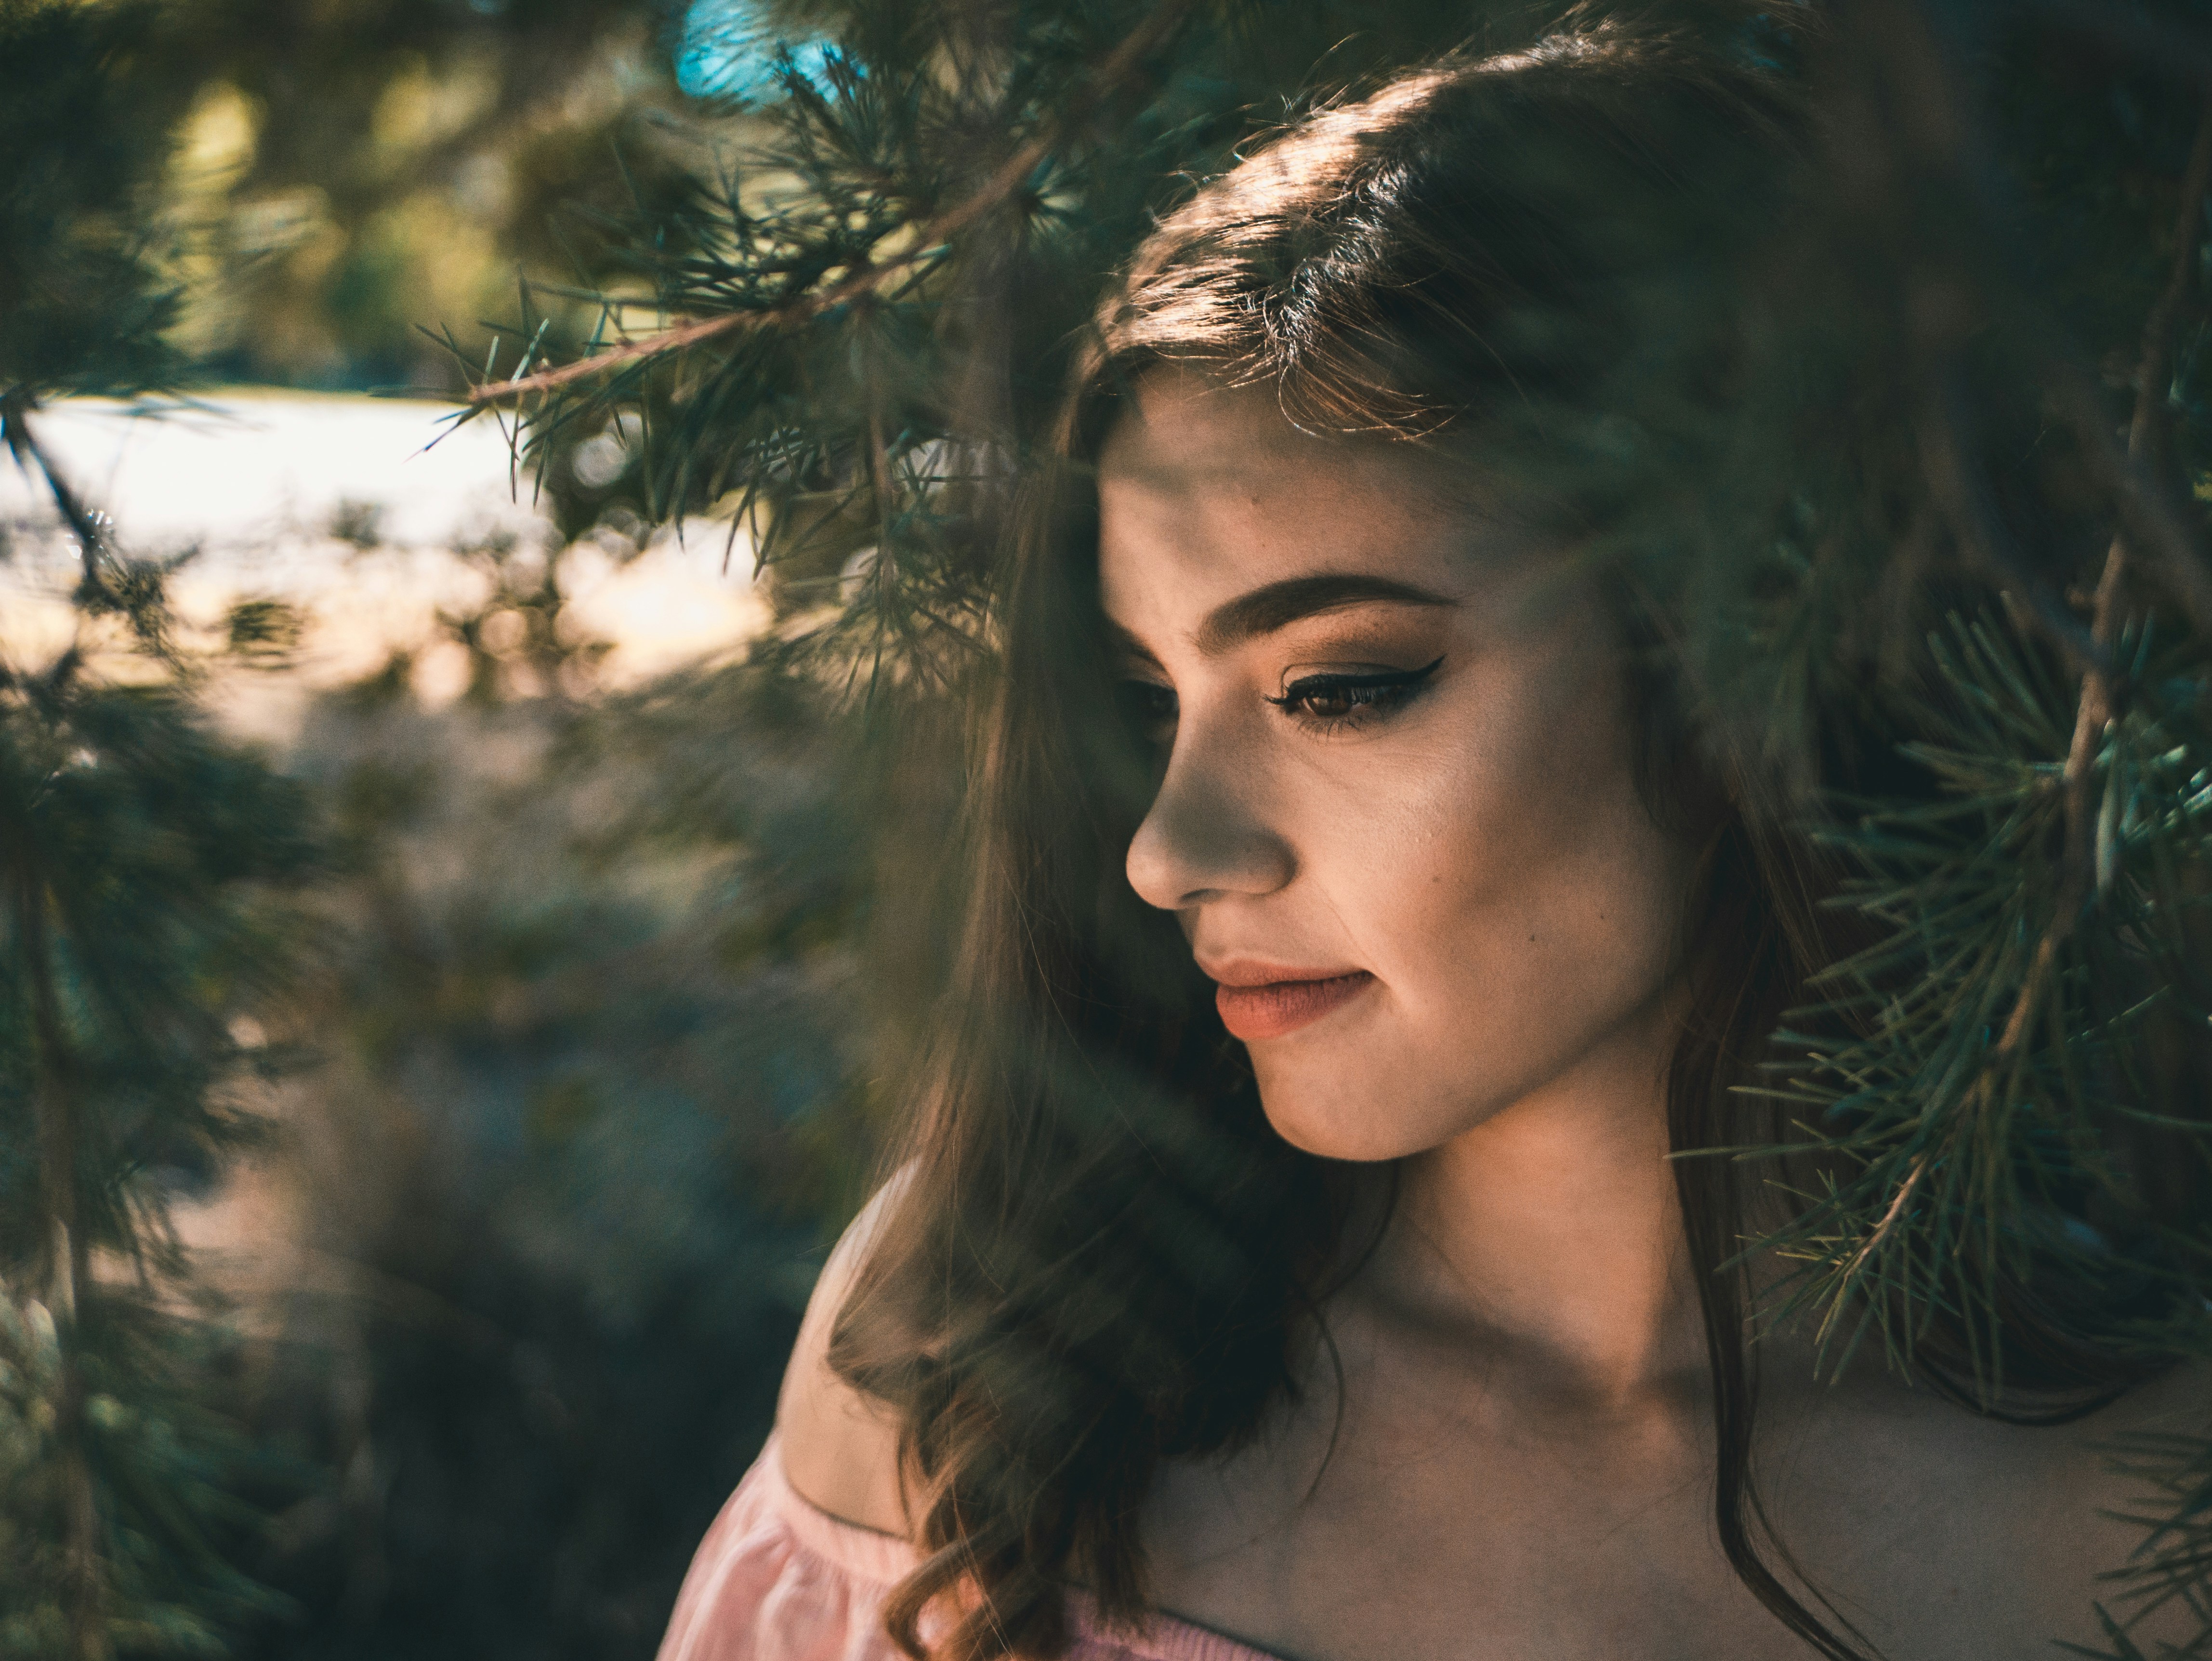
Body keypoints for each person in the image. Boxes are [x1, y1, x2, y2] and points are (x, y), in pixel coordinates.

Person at [657, 15, 2208, 1661]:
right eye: (1146, 697)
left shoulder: (2141, 1525)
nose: (1169, 852)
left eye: (1343, 686)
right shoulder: (980, 1361)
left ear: (1753, 655)